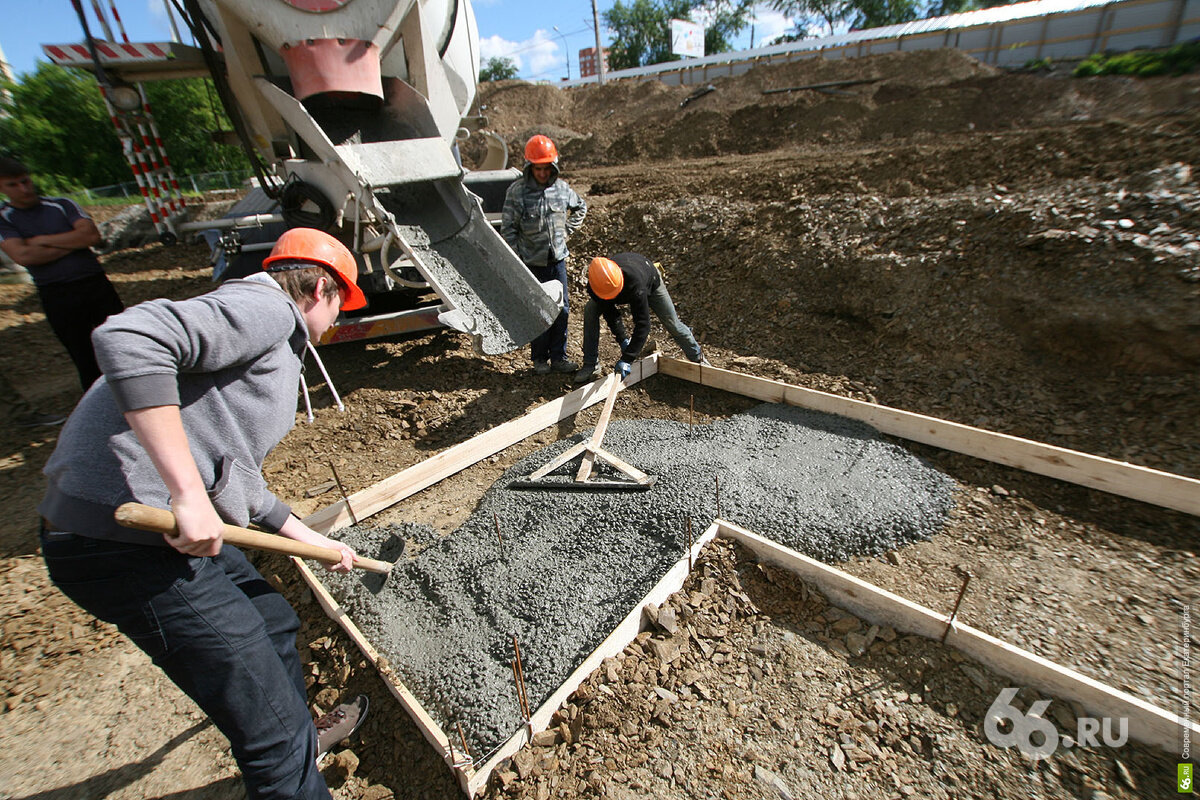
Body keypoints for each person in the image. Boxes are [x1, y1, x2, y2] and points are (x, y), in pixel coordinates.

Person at [38, 228, 371, 800]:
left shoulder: (275, 340)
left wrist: (314, 541)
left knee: (272, 619)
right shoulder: (265, 306)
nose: (337, 321)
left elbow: (232, 475)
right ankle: (289, 753)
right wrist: (186, 492)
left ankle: (299, 742)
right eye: (342, 306)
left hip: (167, 533)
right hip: (119, 537)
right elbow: (130, 336)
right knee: (273, 737)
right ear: (320, 288)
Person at [0, 156, 125, 391]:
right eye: (13, 185)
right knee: (84, 354)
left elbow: (90, 237)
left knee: (121, 339)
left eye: (25, 181)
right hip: (57, 292)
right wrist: (71, 243)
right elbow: (24, 257)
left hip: (94, 285)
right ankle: (101, 402)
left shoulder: (62, 205)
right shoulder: (4, 218)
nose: (24, 188)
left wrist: (42, 241)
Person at [501, 134, 587, 375]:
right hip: (532, 263)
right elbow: (508, 229)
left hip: (557, 260)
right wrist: (518, 257)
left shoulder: (561, 189)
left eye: (546, 168)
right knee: (538, 310)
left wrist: (567, 231)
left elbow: (581, 207)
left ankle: (559, 357)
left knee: (562, 309)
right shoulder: (517, 192)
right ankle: (540, 358)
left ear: (553, 166)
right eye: (538, 169)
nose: (542, 173)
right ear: (530, 167)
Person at [575, 253, 711, 383]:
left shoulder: (634, 283)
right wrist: (623, 340)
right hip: (620, 283)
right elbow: (610, 314)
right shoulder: (597, 287)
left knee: (672, 323)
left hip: (649, 278)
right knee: (590, 310)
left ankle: (698, 359)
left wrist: (628, 358)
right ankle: (590, 363)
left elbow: (643, 324)